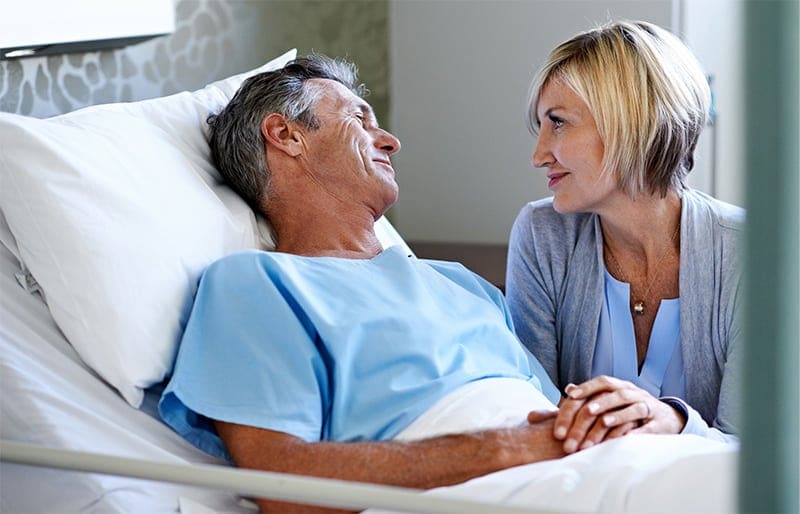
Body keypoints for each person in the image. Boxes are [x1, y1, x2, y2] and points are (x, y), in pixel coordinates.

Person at [158, 54, 565, 514]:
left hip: (584, 464)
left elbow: (557, 417)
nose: (390, 141)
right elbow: (282, 486)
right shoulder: (256, 284)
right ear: (286, 135)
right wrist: (501, 451)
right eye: (359, 119)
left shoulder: (461, 282)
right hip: (487, 485)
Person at [506, 20, 743, 454]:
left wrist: (671, 422)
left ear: (632, 123)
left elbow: (756, 453)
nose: (538, 154)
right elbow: (531, 417)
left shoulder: (748, 254)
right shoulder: (542, 236)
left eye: (557, 123)